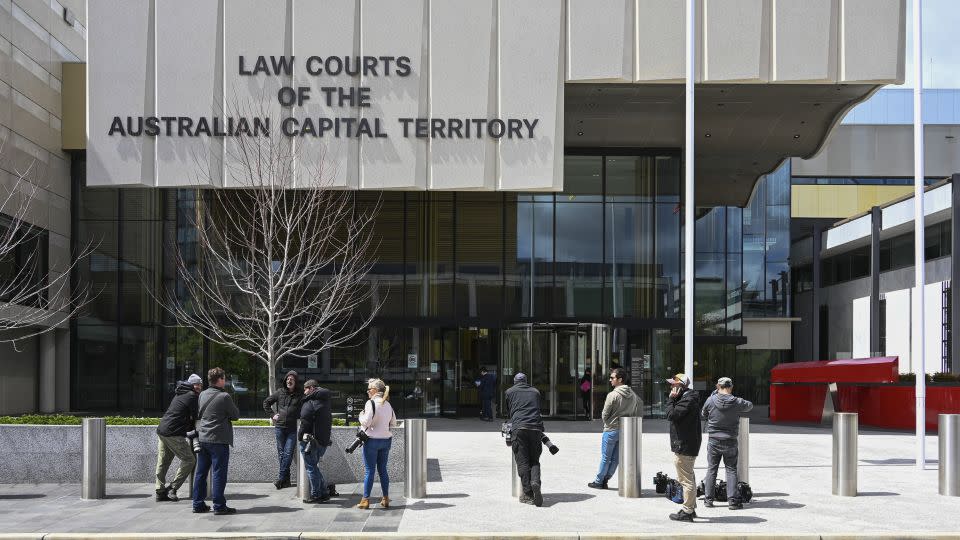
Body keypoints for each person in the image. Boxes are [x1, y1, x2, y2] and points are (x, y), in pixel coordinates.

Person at [192, 367, 240, 515]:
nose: (225, 381)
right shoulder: (224, 397)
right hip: (218, 440)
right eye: (224, 378)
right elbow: (236, 415)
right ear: (219, 380)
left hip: (203, 438)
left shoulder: (202, 395)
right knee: (219, 473)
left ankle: (197, 504)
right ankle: (219, 506)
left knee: (200, 473)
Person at [701, 376, 754, 510]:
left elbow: (703, 413)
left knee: (712, 469)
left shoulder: (711, 399)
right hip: (730, 440)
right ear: (730, 387)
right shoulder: (736, 401)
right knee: (731, 470)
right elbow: (750, 406)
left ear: (718, 387)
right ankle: (733, 501)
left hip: (713, 440)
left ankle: (708, 500)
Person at [588, 367, 642, 489]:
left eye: (612, 378)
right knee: (616, 458)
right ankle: (606, 479)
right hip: (625, 430)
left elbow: (604, 414)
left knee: (606, 457)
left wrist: (608, 424)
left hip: (611, 430)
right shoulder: (633, 395)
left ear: (620, 379)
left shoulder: (613, 395)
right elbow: (634, 412)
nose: (610, 380)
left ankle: (598, 481)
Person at [154, 373, 202, 502]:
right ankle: (173, 488)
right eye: (196, 384)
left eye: (200, 384)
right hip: (173, 433)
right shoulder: (192, 396)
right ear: (191, 385)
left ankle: (159, 490)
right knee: (190, 460)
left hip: (162, 430)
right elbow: (196, 415)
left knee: (163, 461)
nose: (199, 386)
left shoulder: (179, 393)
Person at [665, 373, 701, 522]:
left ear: (680, 386)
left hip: (685, 445)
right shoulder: (687, 398)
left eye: (673, 384)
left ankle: (687, 511)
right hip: (687, 443)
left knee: (685, 479)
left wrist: (671, 399)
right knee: (689, 477)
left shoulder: (686, 400)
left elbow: (671, 415)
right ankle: (690, 508)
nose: (671, 387)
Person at [505, 372, 545, 507]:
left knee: (522, 462)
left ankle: (527, 494)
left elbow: (509, 414)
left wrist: (508, 434)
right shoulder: (535, 392)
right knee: (534, 460)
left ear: (515, 381)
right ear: (526, 381)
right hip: (536, 428)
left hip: (519, 428)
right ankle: (535, 483)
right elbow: (538, 410)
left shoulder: (509, 392)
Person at [356, 378, 397, 509]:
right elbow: (394, 423)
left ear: (374, 390)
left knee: (369, 470)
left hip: (372, 441)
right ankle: (385, 499)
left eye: (369, 389)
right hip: (386, 441)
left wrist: (360, 415)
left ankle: (365, 500)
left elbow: (366, 422)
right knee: (383, 470)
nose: (367, 392)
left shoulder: (370, 403)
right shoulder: (388, 404)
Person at [262, 370, 302, 489]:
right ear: (285, 381)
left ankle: (280, 479)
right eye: (288, 379)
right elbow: (266, 402)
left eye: (292, 380)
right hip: (279, 427)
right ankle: (286, 480)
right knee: (281, 454)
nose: (289, 381)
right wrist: (272, 415)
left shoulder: (300, 395)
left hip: (292, 429)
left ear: (295, 382)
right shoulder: (280, 392)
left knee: (288, 453)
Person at [298, 379, 333, 503]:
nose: (304, 392)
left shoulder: (310, 402)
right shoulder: (326, 401)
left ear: (312, 388)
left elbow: (304, 422)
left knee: (311, 467)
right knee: (314, 467)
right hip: (323, 440)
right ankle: (323, 492)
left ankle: (316, 494)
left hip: (311, 441)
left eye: (305, 389)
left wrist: (299, 436)